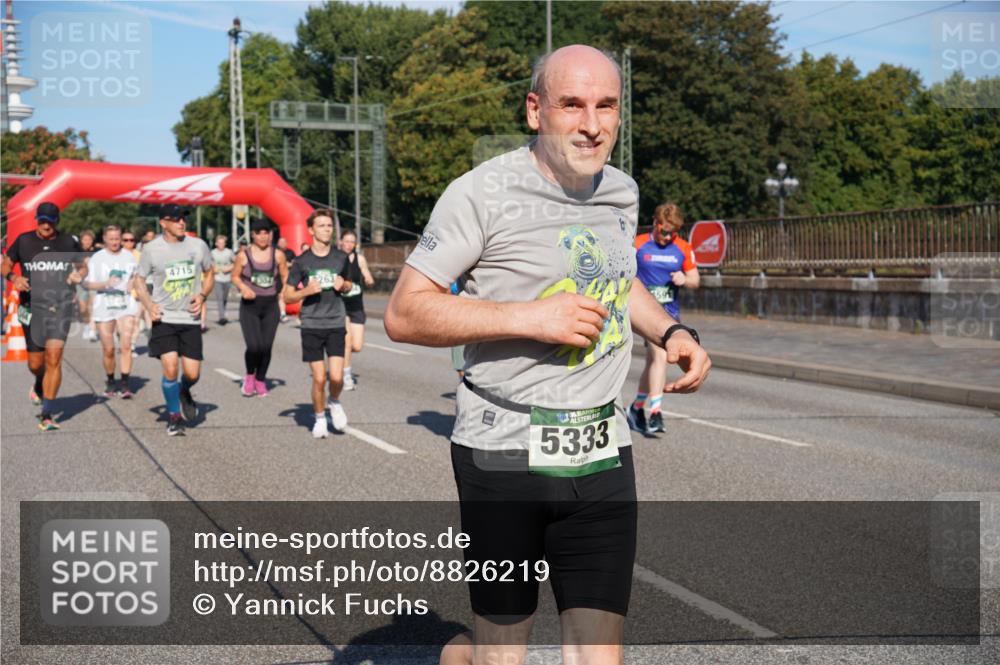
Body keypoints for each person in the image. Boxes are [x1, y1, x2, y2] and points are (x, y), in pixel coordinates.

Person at [384, 45, 710, 665]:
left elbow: (620, 281)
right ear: (536, 110)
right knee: (502, 651)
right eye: (572, 105)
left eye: (606, 106)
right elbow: (404, 311)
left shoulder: (621, 191)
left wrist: (671, 333)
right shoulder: (480, 193)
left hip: (601, 449)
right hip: (503, 450)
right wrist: (527, 318)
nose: (591, 124)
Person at [1, 202, 88, 430]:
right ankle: (39, 381)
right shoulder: (24, 240)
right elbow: (6, 263)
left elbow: (83, 265)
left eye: (50, 221)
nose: (45, 225)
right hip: (31, 307)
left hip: (60, 306)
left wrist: (79, 274)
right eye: (42, 220)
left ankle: (47, 412)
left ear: (56, 221)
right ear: (36, 220)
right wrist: (13, 278)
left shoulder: (68, 242)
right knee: (35, 363)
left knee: (54, 357)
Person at [134, 204, 214, 436]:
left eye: (184, 219)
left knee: (192, 374)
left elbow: (210, 272)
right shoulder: (151, 249)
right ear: (163, 223)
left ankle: (183, 390)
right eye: (176, 219)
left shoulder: (198, 246)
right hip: (165, 318)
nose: (182, 223)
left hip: (189, 319)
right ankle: (174, 417)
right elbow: (139, 280)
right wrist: (149, 305)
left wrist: (202, 295)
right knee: (170, 367)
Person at [628, 203, 700, 435]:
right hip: (645, 316)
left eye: (672, 232)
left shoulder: (682, 247)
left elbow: (695, 280)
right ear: (656, 223)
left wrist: (684, 279)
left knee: (652, 363)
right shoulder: (638, 243)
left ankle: (636, 408)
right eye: (664, 231)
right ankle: (656, 413)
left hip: (670, 316)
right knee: (659, 356)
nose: (667, 236)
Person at [283, 209, 354, 439]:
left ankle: (334, 401)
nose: (327, 229)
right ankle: (320, 418)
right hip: (312, 324)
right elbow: (288, 296)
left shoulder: (341, 257)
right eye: (322, 225)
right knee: (319, 378)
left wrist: (343, 285)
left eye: (329, 226)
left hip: (335, 321)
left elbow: (350, 285)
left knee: (336, 377)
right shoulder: (302, 262)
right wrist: (306, 291)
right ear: (311, 230)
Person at [231, 218, 289, 397]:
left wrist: (283, 293)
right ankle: (249, 376)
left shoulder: (278, 254)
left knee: (266, 346)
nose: (263, 237)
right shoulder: (244, 255)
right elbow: (235, 276)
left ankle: (260, 379)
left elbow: (286, 276)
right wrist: (244, 288)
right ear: (253, 235)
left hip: (270, 305)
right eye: (259, 233)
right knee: (254, 346)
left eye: (266, 233)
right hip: (250, 306)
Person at [85, 225, 140, 398]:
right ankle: (110, 381)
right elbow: (88, 284)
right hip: (104, 306)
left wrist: (133, 284)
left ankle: (125, 383)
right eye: (112, 239)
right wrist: (105, 283)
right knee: (108, 349)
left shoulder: (129, 257)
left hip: (126, 306)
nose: (115, 242)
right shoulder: (97, 258)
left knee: (125, 345)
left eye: (118, 239)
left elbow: (135, 278)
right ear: (105, 239)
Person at [339, 229, 375, 391]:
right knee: (347, 342)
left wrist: (368, 279)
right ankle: (347, 376)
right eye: (346, 241)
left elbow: (367, 274)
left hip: (357, 305)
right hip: (340, 305)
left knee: (357, 345)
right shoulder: (336, 258)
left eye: (351, 241)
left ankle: (339, 354)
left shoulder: (359, 259)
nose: (348, 244)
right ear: (340, 242)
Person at [76, 229, 98, 342]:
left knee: (93, 306)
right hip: (81, 283)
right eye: (85, 239)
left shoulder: (98, 252)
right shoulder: (77, 251)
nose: (87, 241)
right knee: (83, 308)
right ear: (81, 240)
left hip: (94, 282)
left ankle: (93, 330)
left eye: (89, 239)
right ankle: (86, 325)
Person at [210, 234, 236, 325]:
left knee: (224, 298)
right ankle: (222, 317)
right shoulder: (212, 253)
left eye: (223, 243)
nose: (221, 245)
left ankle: (222, 312)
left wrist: (229, 268)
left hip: (227, 279)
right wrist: (213, 268)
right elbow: (209, 264)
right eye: (219, 243)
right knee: (220, 298)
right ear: (216, 243)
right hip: (217, 279)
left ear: (225, 244)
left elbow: (236, 263)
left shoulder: (229, 252)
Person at [276, 236, 295, 323]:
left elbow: (295, 263)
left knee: (282, 295)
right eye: (280, 242)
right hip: (276, 277)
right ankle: (278, 313)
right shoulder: (275, 252)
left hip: (288, 276)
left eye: (283, 242)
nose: (282, 244)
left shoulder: (290, 252)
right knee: (278, 295)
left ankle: (283, 314)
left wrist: (287, 264)